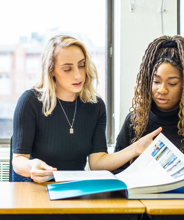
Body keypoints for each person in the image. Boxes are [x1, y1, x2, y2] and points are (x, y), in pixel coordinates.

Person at [12, 35, 161, 183]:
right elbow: (18, 161)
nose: (78, 75)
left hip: (76, 190)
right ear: (51, 70)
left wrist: (135, 149)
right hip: (37, 189)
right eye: (67, 69)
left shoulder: (95, 106)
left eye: (81, 65)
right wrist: (32, 166)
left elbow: (97, 162)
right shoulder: (30, 102)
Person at [114, 35, 184, 174]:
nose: (162, 90)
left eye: (172, 83)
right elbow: (117, 170)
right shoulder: (135, 121)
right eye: (156, 81)